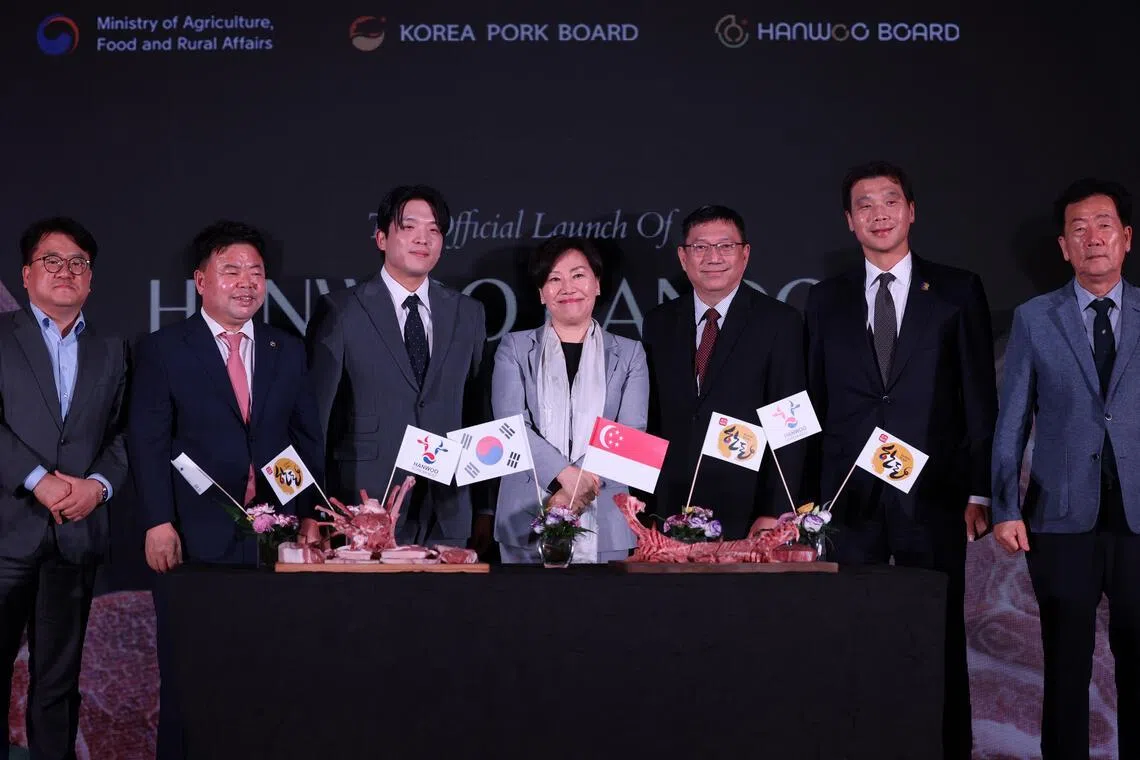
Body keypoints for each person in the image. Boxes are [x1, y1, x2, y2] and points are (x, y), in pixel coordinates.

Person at [804, 161, 996, 758]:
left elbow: (977, 397)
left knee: (935, 632)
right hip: (845, 499)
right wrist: (808, 497)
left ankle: (945, 747)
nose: (879, 213)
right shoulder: (825, 298)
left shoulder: (958, 290)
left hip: (932, 495)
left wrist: (979, 490)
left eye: (890, 201)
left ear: (912, 211)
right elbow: (813, 398)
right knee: (849, 631)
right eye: (865, 204)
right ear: (849, 221)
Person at [128, 220, 324, 760]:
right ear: (200, 279)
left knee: (268, 666)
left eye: (255, 272)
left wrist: (310, 513)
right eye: (230, 269)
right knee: (192, 671)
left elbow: (302, 438)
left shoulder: (287, 348)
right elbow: (148, 441)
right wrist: (157, 521)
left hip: (274, 539)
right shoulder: (164, 348)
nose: (245, 282)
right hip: (193, 535)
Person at [992, 178, 1139, 760]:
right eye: (1078, 229)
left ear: (1126, 238)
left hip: (1137, 519)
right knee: (1065, 668)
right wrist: (1004, 506)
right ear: (1063, 246)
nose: (1092, 237)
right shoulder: (1035, 318)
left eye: (1104, 225)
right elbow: (1012, 419)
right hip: (1057, 519)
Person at [0, 217, 128, 760]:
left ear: (91, 281)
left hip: (74, 537)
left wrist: (98, 486)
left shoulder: (113, 349)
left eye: (79, 263)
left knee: (57, 685)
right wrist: (38, 480)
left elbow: (124, 434)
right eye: (52, 260)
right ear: (27, 275)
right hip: (6, 532)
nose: (66, 271)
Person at [307, 185, 488, 548]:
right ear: (381, 237)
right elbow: (316, 419)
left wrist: (485, 508)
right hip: (365, 502)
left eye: (435, 229)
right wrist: (313, 510)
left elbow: (478, 411)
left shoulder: (468, 313)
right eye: (410, 227)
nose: (424, 238)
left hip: (447, 505)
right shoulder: (341, 310)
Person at [642, 204, 807, 539]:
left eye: (725, 246)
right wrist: (644, 505)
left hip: (746, 510)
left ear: (744, 254)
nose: (712, 257)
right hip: (670, 507)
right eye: (700, 247)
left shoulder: (779, 322)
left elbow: (791, 425)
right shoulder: (659, 322)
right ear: (683, 257)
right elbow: (651, 417)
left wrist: (774, 509)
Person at [491, 236, 648, 563]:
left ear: (597, 285)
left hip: (607, 519)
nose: (567, 287)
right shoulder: (514, 348)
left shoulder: (631, 353)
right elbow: (510, 425)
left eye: (578, 275)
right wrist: (564, 475)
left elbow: (631, 432)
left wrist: (572, 492)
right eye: (554, 279)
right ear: (541, 293)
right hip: (525, 515)